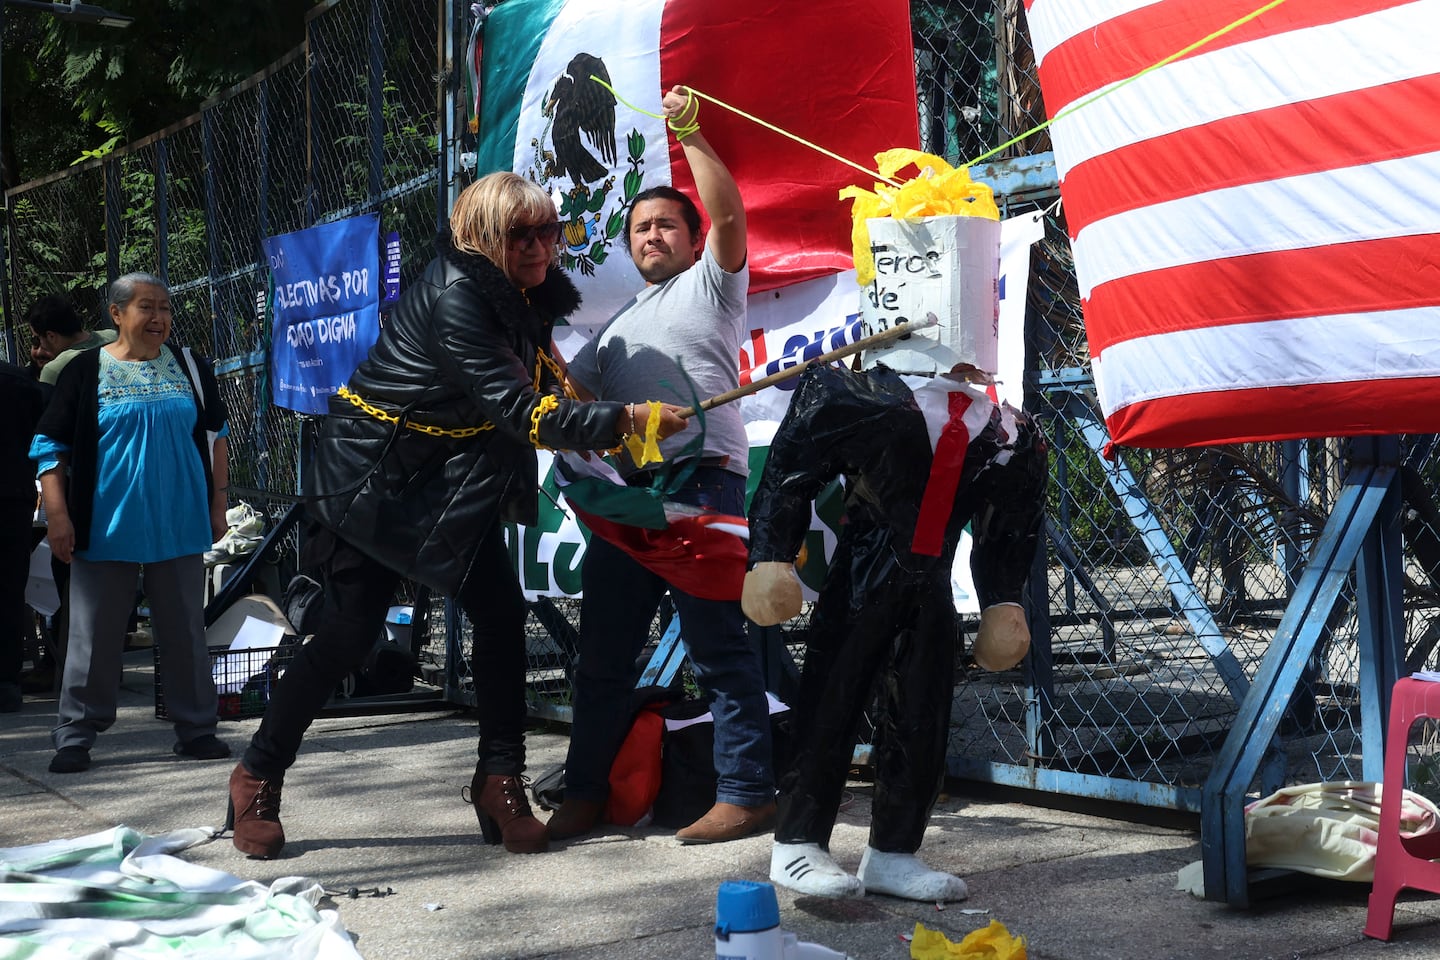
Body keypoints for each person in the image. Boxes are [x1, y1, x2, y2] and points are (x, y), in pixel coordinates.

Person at [225, 171, 687, 860]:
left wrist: (610, 405)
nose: (537, 247)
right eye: (519, 234)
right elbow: (520, 411)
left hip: (447, 486)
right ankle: (256, 774)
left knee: (500, 618)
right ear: (480, 238)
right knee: (347, 635)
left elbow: (546, 384)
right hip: (373, 482)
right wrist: (622, 419)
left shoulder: (522, 298)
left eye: (547, 232)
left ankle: (499, 779)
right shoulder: (459, 296)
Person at [546, 84, 776, 845]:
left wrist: (695, 135)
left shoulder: (714, 285)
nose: (651, 236)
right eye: (641, 228)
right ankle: (584, 795)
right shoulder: (612, 333)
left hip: (703, 486)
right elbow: (571, 405)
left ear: (691, 236)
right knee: (603, 658)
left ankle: (746, 793)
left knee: (719, 651)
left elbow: (733, 217)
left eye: (666, 225)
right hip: (626, 507)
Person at [742, 362, 1047, 901]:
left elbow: (1011, 519)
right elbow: (791, 469)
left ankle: (894, 850)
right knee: (831, 702)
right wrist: (771, 555)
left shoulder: (1009, 431)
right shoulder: (859, 394)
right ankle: (796, 840)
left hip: (930, 589)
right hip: (862, 577)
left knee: (922, 715)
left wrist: (1003, 597)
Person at [31, 272, 233, 774]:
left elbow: (217, 437)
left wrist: (217, 506)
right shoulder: (83, 371)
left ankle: (196, 729)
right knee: (93, 634)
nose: (160, 318)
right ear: (117, 314)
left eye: (165, 307)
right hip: (106, 524)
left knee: (185, 629)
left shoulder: (190, 366)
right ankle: (76, 734)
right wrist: (57, 515)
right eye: (147, 307)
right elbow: (49, 448)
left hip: (180, 521)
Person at [0, 360, 46, 712]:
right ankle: (6, 682)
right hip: (12, 497)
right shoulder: (18, 381)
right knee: (10, 588)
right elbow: (44, 438)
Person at [27, 294, 117, 387]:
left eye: (36, 340)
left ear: (51, 336)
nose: (38, 349)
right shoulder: (115, 337)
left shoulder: (56, 370)